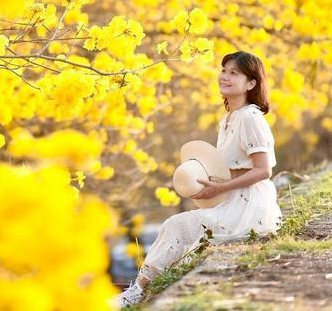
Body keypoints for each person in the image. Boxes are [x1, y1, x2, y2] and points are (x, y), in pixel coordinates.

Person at [113, 51, 283, 308]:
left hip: (249, 204)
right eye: (224, 70)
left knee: (176, 225)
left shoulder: (250, 117)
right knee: (183, 230)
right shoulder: (228, 119)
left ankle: (137, 291)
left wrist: (222, 187)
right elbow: (231, 168)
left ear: (251, 83)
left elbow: (263, 170)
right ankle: (141, 289)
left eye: (233, 73)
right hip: (232, 199)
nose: (224, 77)